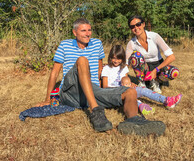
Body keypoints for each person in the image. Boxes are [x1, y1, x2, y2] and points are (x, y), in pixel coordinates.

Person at [36, 18, 166, 136]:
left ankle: (133, 121)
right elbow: (54, 73)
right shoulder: (65, 45)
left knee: (130, 92)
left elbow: (99, 69)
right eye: (83, 31)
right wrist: (48, 98)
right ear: (74, 32)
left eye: (89, 30)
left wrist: (111, 86)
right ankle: (96, 111)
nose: (88, 33)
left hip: (92, 89)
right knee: (82, 60)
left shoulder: (97, 44)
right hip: (71, 91)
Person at [101, 45, 182, 115]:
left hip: (127, 89)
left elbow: (126, 80)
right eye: (113, 58)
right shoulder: (106, 69)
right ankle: (141, 106)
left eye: (119, 58)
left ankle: (166, 100)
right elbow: (105, 87)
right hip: (115, 93)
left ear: (123, 58)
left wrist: (131, 83)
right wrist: (120, 89)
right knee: (130, 98)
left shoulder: (124, 68)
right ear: (110, 57)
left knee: (143, 90)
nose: (116, 61)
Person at [126, 15, 179, 93]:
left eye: (138, 24)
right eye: (132, 26)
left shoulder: (155, 36)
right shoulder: (131, 43)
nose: (136, 28)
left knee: (174, 71)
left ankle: (156, 82)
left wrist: (156, 70)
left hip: (158, 66)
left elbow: (171, 57)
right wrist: (126, 80)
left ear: (143, 24)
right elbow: (126, 63)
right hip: (144, 68)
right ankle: (142, 82)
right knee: (135, 56)